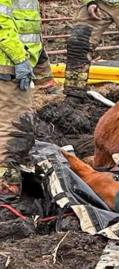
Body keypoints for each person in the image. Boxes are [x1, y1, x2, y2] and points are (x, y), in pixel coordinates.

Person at [0, 0, 44, 197]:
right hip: (8, 65)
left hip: (11, 62)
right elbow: (2, 23)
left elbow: (31, 29)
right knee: (14, 128)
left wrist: (42, 68)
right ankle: (6, 189)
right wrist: (19, 59)